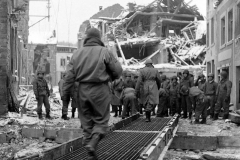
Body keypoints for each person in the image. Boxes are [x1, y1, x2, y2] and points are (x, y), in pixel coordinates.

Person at [62, 28, 122, 160]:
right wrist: (110, 77)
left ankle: (90, 150)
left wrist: (65, 94)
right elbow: (118, 71)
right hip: (100, 90)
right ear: (99, 38)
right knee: (101, 121)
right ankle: (94, 142)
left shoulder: (77, 54)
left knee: (87, 122)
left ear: (86, 38)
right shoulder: (104, 51)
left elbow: (68, 77)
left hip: (82, 91)